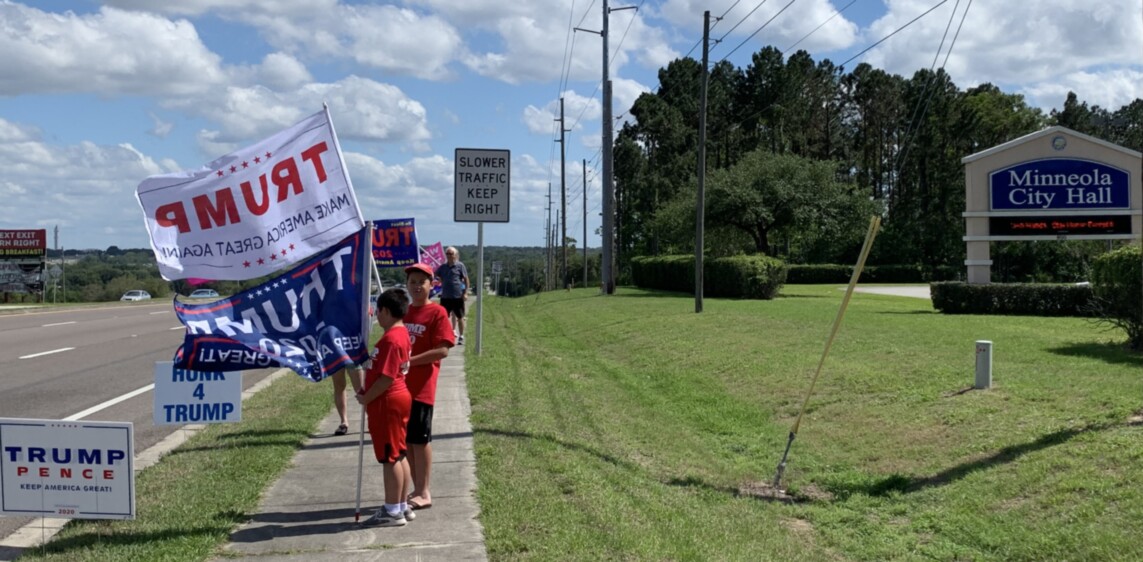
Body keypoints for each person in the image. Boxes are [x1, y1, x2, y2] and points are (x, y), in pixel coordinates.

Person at [357, 287, 414, 527]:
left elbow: (387, 377)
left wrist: (367, 397)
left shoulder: (392, 338)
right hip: (396, 399)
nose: (376, 315)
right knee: (399, 453)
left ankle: (392, 510)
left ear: (387, 311)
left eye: (378, 311)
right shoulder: (400, 333)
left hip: (387, 401)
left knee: (389, 456)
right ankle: (401, 505)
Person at [402, 262, 455, 510]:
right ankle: (416, 488)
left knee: (420, 441)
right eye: (412, 281)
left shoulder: (437, 313)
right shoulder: (404, 312)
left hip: (422, 387)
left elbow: (443, 350)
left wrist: (410, 361)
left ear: (431, 285)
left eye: (421, 282)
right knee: (407, 442)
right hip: (400, 388)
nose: (416, 286)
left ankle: (424, 491)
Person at [435, 247, 470, 345]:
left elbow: (466, 279)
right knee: (443, 318)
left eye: (451, 254)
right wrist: (439, 279)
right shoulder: (442, 267)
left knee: (460, 317)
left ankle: (461, 336)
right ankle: (445, 335)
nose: (449, 255)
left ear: (455, 255)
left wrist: (465, 292)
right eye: (447, 253)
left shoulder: (460, 266)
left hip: (457, 296)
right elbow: (435, 275)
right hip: (445, 297)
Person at [331, 365, 362, 436]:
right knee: (339, 386)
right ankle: (343, 422)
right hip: (336, 355)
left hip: (353, 355)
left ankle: (372, 419)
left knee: (360, 388)